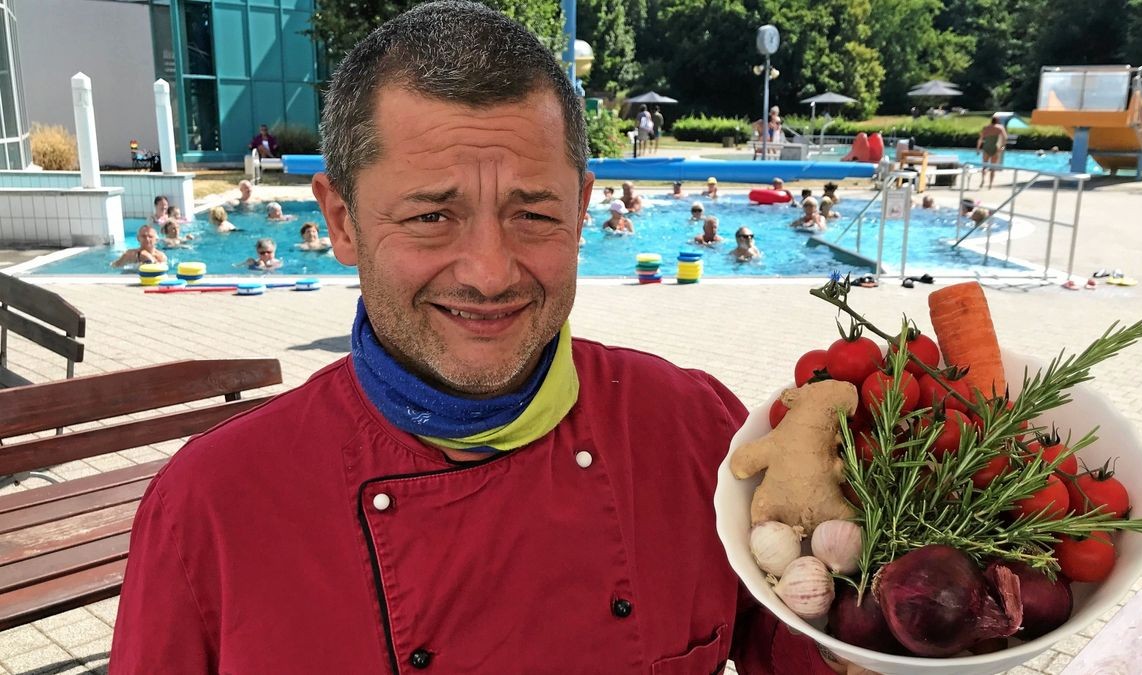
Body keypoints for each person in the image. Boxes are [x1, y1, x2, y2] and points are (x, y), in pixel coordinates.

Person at [110, 4, 854, 673]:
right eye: (432, 215)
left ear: (583, 207)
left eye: (533, 214)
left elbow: (816, 650)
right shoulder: (210, 507)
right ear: (341, 221)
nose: (491, 273)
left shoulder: (697, 431)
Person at [977, 115, 1008, 189]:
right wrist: (1002, 148)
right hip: (995, 148)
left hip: (986, 147)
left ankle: (983, 180)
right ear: (997, 121)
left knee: (984, 166)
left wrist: (978, 149)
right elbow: (1005, 139)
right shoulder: (1000, 128)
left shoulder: (986, 128)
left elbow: (980, 139)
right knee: (993, 168)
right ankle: (990, 184)